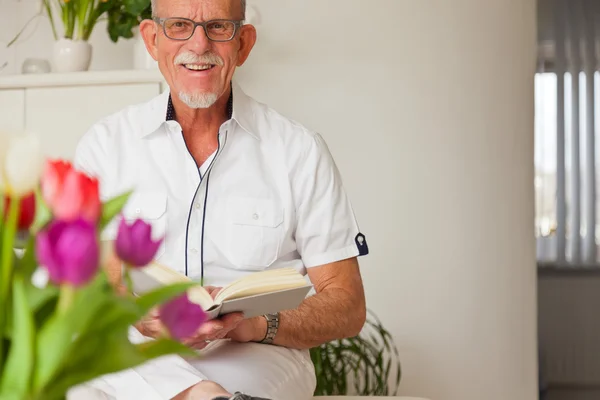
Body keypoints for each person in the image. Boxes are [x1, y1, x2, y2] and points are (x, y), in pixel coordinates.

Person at [72, 0, 369, 399]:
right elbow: (83, 282)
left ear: (243, 43)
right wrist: (139, 315)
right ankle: (202, 394)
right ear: (152, 39)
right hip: (139, 352)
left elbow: (347, 305)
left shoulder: (299, 151)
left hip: (255, 354)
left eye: (218, 27)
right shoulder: (105, 146)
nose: (198, 45)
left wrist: (256, 324)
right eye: (179, 25)